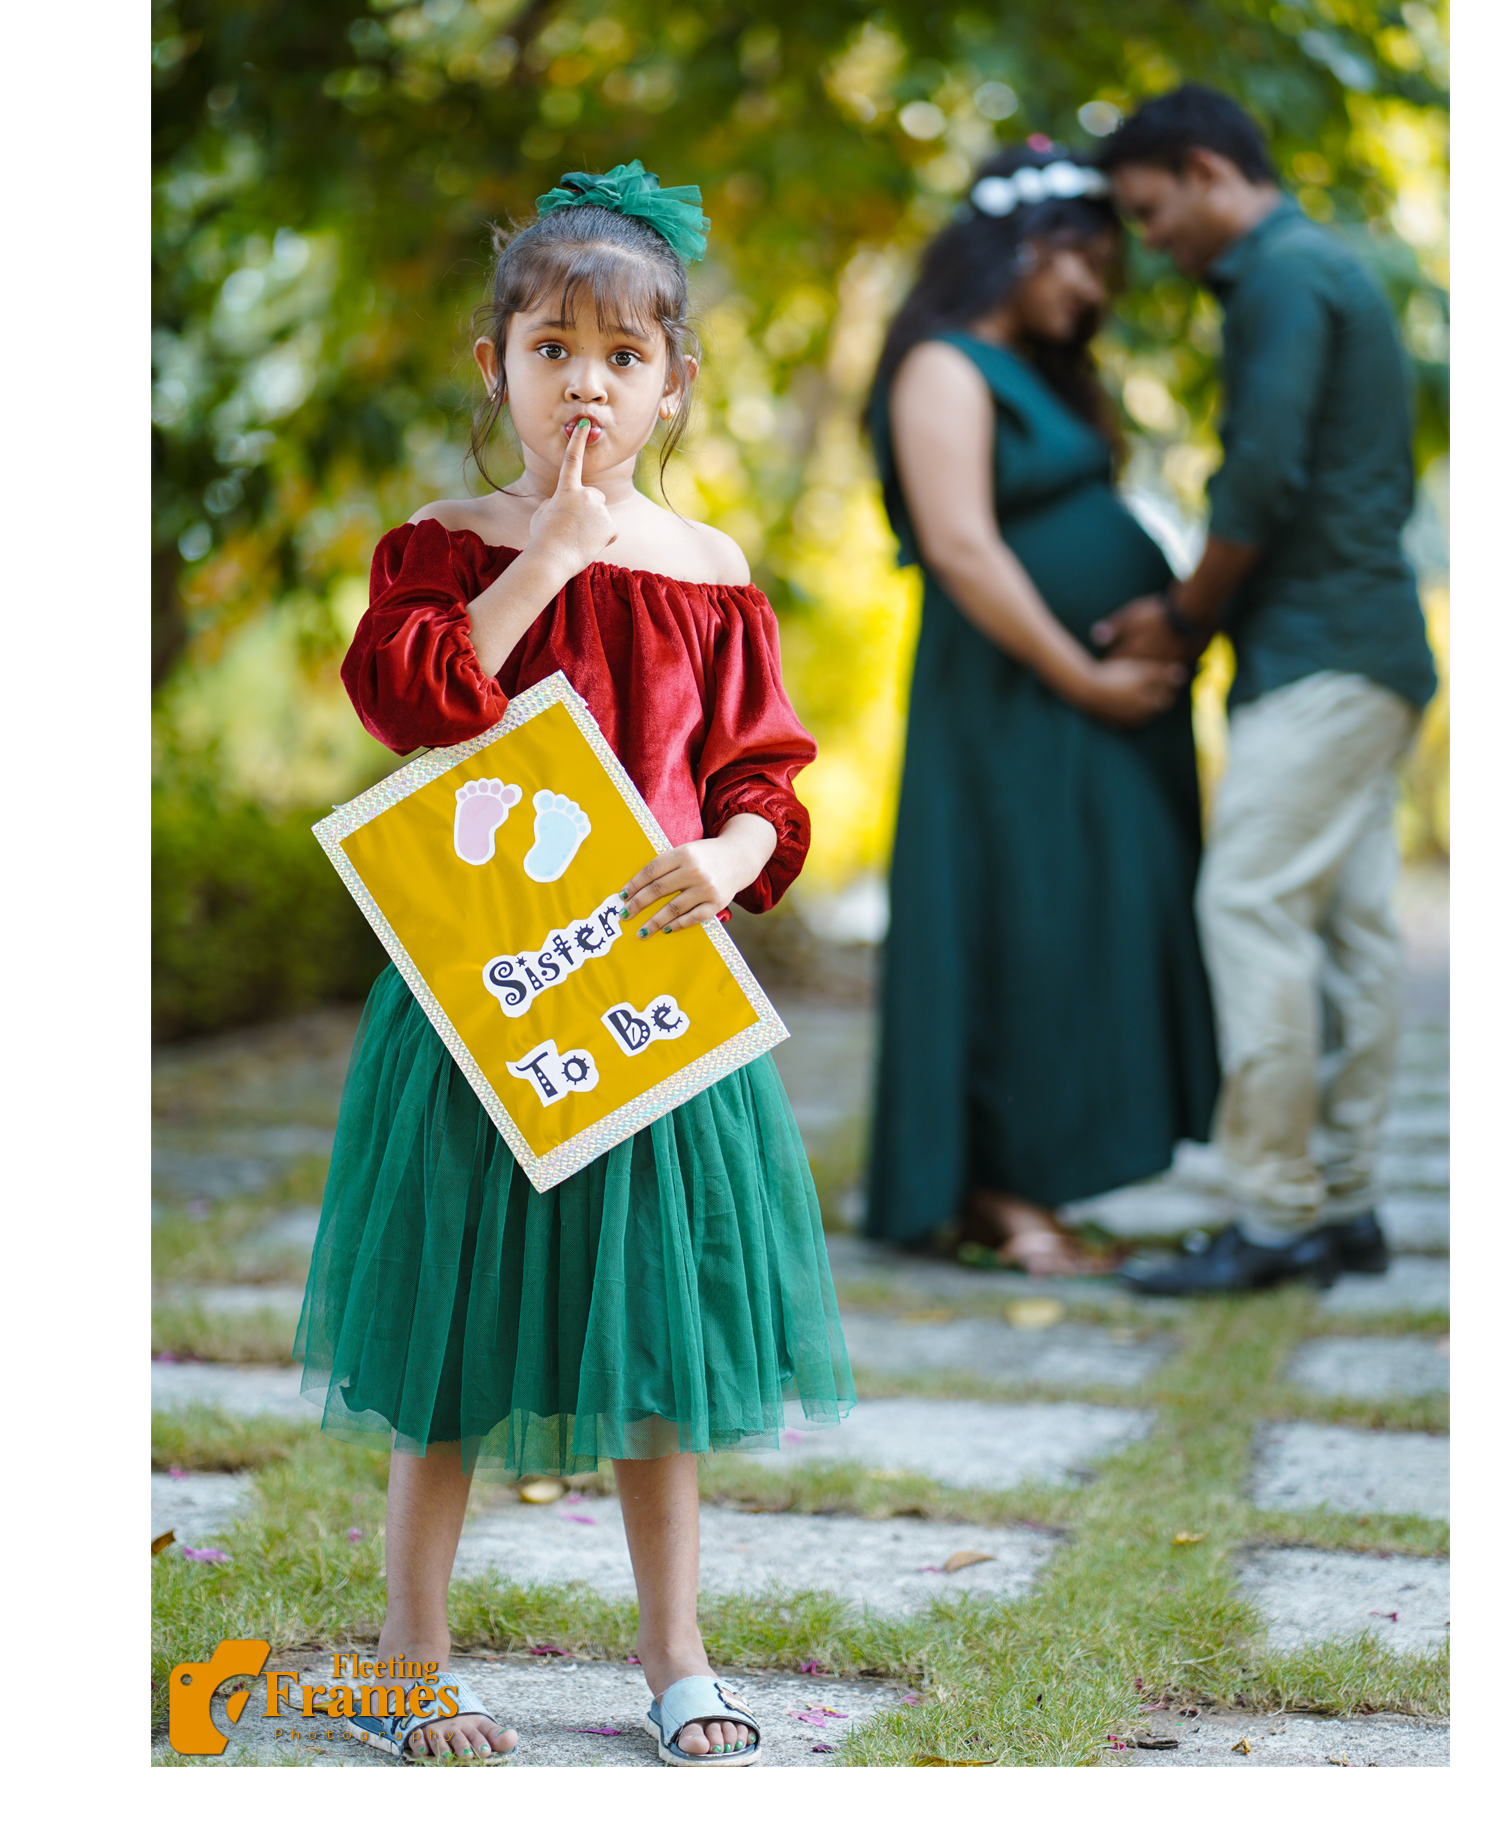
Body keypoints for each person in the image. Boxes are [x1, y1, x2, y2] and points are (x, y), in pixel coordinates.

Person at [306, 162, 853, 1765]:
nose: (588, 385)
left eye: (624, 357)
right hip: (486, 997)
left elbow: (762, 773)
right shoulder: (442, 547)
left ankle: (677, 1654)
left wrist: (739, 854)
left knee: (663, 1338)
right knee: (451, 1335)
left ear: (674, 379)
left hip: (650, 1002)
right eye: (554, 351)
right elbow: (416, 703)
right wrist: (548, 551)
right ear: (498, 369)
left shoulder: (712, 572)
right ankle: (411, 1655)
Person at [1090, 87, 1439, 1296]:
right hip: (1370, 648)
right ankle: (1343, 1206)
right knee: (1348, 930)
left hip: (1322, 654)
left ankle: (1279, 1213)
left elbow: (1259, 481)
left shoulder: (1282, 275)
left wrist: (1184, 617)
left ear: (1204, 171)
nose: (1150, 244)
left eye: (1150, 211)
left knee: (1247, 902)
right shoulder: (1324, 269)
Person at [855, 145, 1219, 1273]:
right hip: (1011, 697)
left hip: (1079, 699)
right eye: (1086, 261)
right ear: (1019, 245)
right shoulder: (941, 367)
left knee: (1085, 919)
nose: (1098, 291)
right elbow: (962, 547)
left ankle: (1036, 1173)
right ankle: (996, 1194)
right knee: (1014, 917)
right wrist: (1084, 675)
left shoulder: (1043, 374)